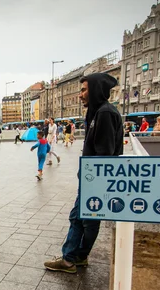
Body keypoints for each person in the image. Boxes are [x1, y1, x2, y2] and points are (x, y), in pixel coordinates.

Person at [44, 73, 122, 274]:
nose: (80, 95)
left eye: (84, 89)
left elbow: (104, 154)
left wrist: (91, 180)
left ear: (95, 90)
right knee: (86, 217)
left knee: (80, 217)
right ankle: (78, 256)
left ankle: (69, 258)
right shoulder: (97, 112)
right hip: (93, 177)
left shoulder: (105, 113)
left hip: (96, 178)